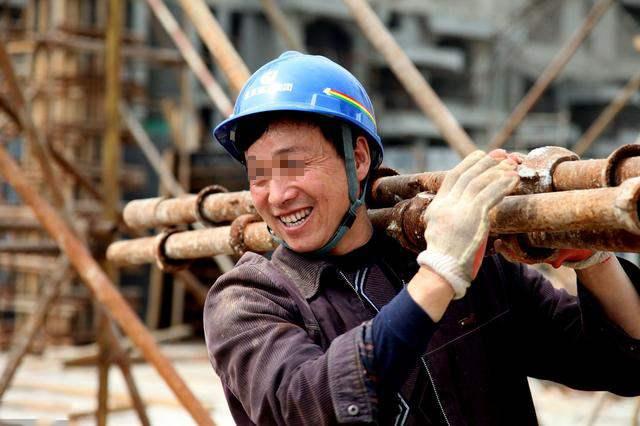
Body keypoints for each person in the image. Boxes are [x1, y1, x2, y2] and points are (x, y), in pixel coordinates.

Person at [204, 51, 640, 425]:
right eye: (259, 175)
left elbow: (621, 363)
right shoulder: (248, 299)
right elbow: (310, 406)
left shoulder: (472, 263)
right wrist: (441, 272)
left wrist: (592, 257)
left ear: (358, 158)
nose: (277, 195)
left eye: (294, 165)